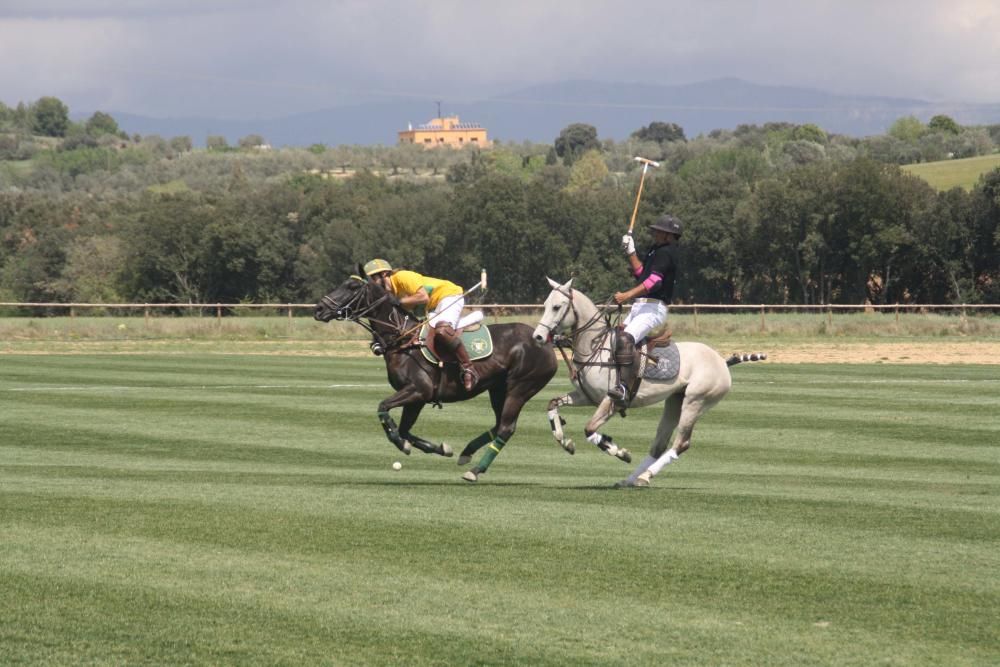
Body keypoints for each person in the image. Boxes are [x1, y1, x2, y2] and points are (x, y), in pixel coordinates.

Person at [363, 259, 478, 391]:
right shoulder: (394, 291)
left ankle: (468, 368)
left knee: (442, 330)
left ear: (383, 274)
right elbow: (408, 311)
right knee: (427, 335)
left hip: (449, 295)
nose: (372, 284)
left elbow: (423, 297)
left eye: (373, 279)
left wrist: (399, 302)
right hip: (433, 307)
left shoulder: (402, 276)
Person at [607, 214, 682, 407]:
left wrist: (626, 295)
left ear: (668, 235)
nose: (654, 233)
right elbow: (642, 275)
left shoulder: (668, 252)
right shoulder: (655, 251)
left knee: (626, 339)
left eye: (658, 231)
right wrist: (631, 252)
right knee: (617, 336)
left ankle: (623, 388)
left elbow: (653, 282)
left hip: (653, 307)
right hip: (641, 305)